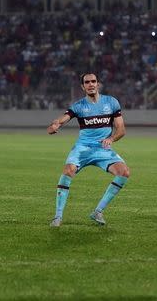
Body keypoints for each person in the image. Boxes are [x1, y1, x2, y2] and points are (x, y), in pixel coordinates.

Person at [47, 73, 130, 227]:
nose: (91, 84)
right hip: (82, 148)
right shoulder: (78, 106)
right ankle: (57, 217)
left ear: (98, 84)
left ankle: (98, 211)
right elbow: (63, 118)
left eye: (93, 81)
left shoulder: (111, 102)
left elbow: (121, 129)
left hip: (103, 149)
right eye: (87, 82)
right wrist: (56, 124)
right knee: (67, 172)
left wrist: (111, 139)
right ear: (82, 86)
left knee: (124, 172)